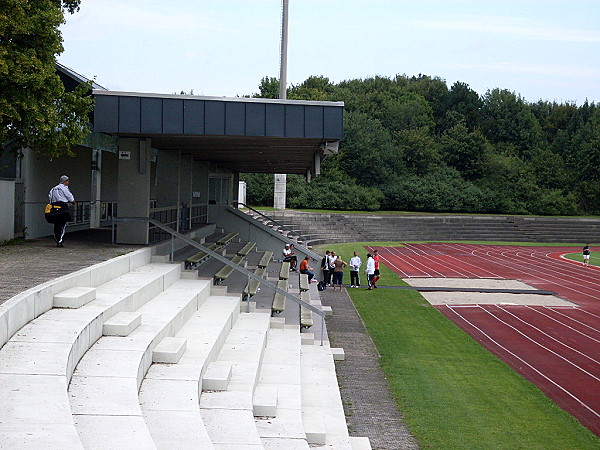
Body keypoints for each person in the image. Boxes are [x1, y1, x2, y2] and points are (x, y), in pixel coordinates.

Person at [48, 175, 75, 247]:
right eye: (68, 181)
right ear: (65, 181)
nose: (68, 182)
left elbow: (50, 197)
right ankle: (60, 240)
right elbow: (70, 196)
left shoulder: (53, 189)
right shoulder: (64, 188)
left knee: (56, 224)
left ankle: (57, 238)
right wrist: (73, 201)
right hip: (62, 207)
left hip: (54, 207)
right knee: (62, 224)